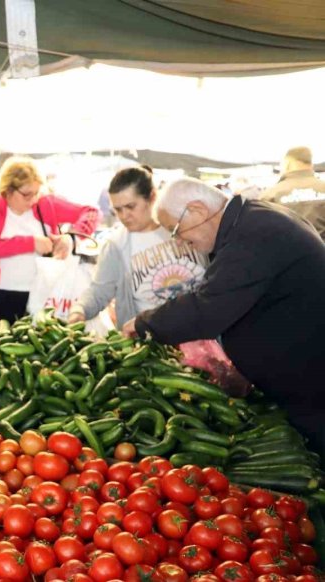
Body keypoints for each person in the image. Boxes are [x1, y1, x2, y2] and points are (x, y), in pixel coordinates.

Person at [122, 177, 325, 455]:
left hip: (315, 387)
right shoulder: (251, 220)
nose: (180, 242)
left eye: (175, 231)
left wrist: (144, 323)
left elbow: (207, 308)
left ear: (197, 211)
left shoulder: (254, 235)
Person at [69, 166, 208, 328]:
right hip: (151, 341)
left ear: (152, 197)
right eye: (118, 210)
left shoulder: (184, 226)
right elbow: (100, 291)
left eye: (130, 206)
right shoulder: (116, 245)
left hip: (201, 330)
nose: (124, 216)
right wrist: (79, 310)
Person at [0, 156, 99, 324]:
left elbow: (91, 212)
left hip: (44, 294)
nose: (33, 200)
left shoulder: (46, 204)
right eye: (26, 194)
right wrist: (31, 243)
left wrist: (71, 237)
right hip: (2, 296)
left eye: (36, 193)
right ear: (8, 189)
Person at [261, 146, 325, 238]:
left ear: (287, 163)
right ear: (311, 164)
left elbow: (262, 232)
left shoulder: (270, 194)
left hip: (286, 250)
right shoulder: (322, 187)